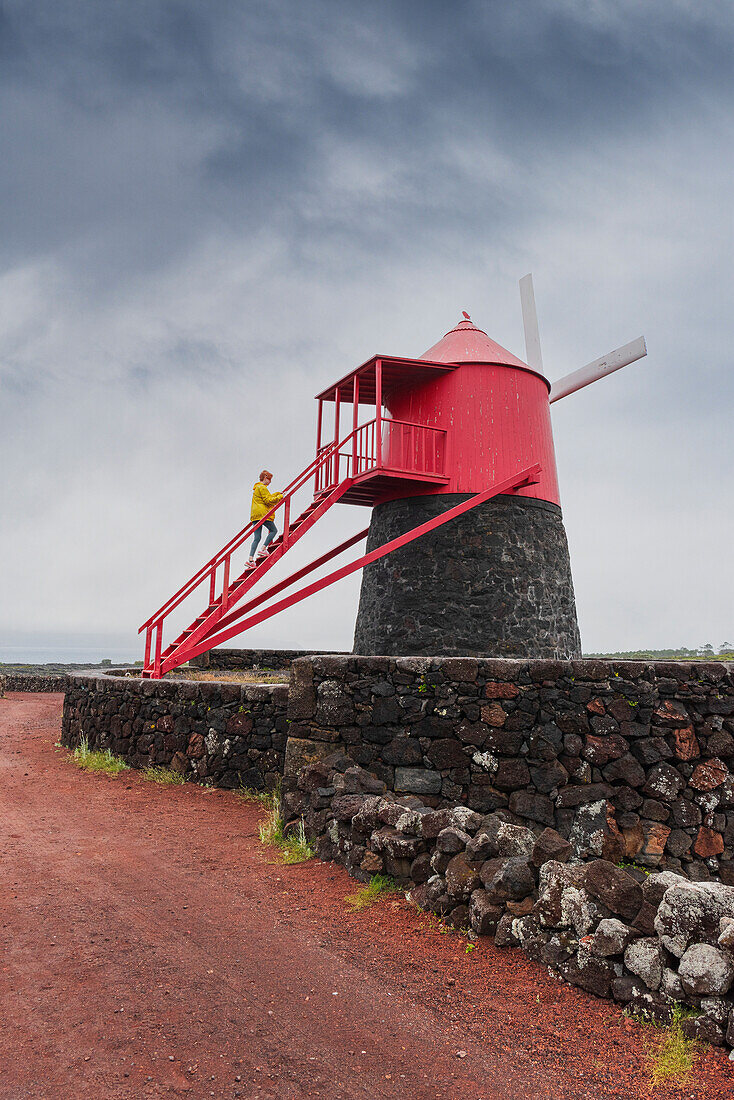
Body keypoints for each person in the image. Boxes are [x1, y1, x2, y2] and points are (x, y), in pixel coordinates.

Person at [247, 470, 283, 566]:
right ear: (265, 478)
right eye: (270, 480)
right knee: (273, 530)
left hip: (255, 516)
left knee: (257, 537)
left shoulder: (257, 488)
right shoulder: (262, 488)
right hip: (262, 514)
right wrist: (281, 497)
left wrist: (276, 494)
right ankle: (263, 549)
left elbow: (267, 497)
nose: (270, 482)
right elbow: (268, 501)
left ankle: (250, 559)